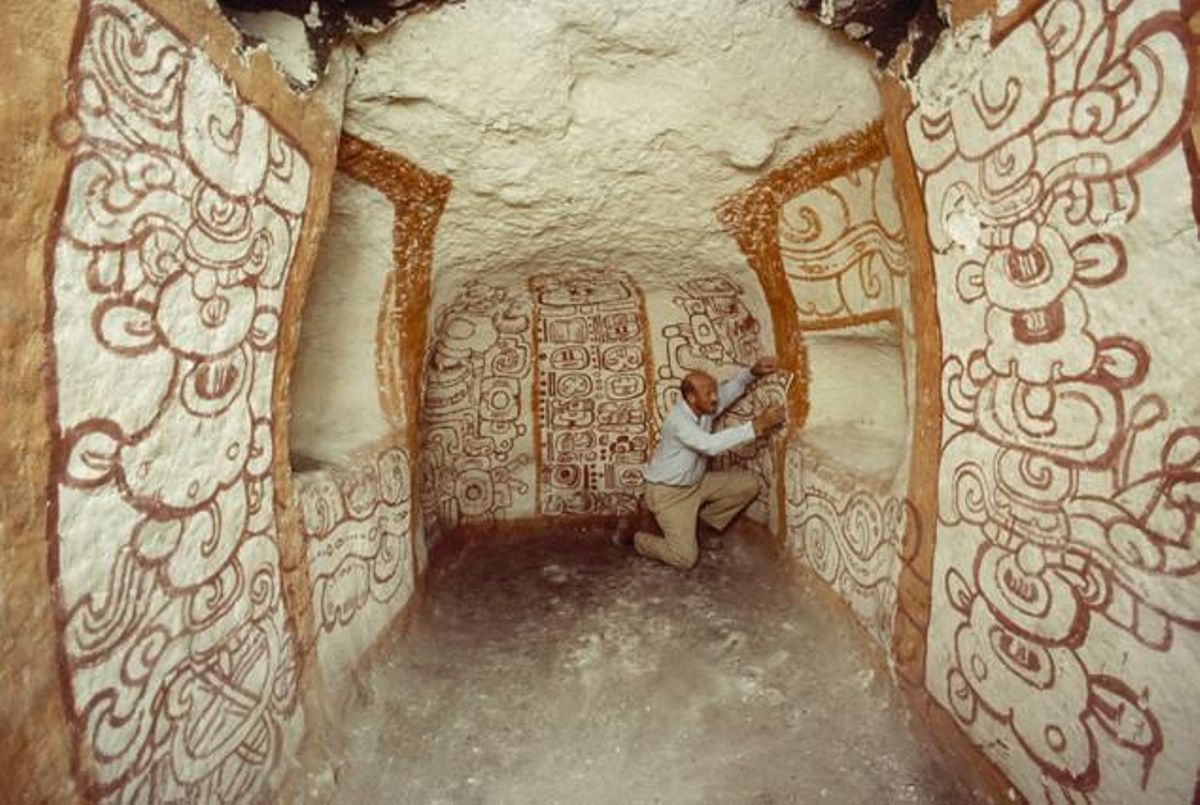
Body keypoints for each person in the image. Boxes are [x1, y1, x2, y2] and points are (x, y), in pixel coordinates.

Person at [615, 357, 786, 569]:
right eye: (709, 393)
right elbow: (709, 445)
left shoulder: (705, 406)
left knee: (749, 485)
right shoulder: (679, 421)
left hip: (696, 483)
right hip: (669, 493)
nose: (715, 397)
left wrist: (753, 372)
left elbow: (730, 390)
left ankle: (701, 528)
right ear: (691, 397)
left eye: (714, 391)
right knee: (685, 559)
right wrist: (755, 426)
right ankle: (636, 537)